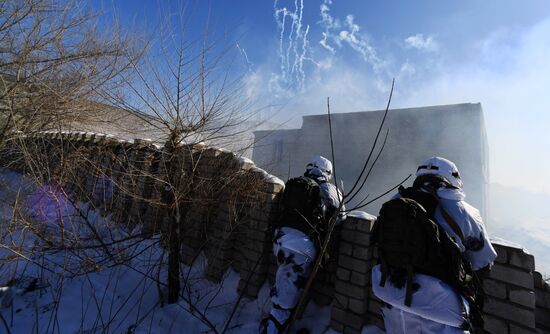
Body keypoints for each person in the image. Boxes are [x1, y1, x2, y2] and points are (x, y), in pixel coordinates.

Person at [371, 156, 497, 334]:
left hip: (390, 291)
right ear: (453, 178)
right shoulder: (466, 211)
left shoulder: (397, 200)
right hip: (439, 304)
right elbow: (483, 262)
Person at [261, 155, 345, 334]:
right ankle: (274, 327)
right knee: (291, 284)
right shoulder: (330, 190)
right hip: (303, 246)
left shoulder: (295, 184)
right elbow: (341, 219)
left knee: (284, 277)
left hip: (280, 239)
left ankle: (275, 322)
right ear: (327, 173)